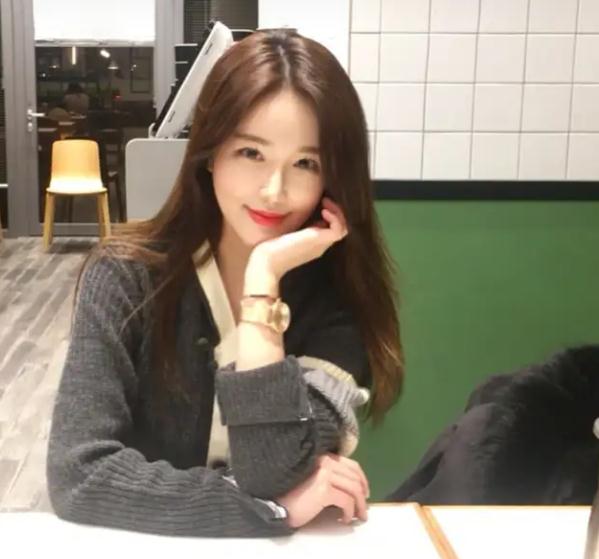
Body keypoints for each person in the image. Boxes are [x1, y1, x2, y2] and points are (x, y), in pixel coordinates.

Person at [46, 28, 404, 537]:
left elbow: (271, 470)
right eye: (251, 153)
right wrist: (266, 511)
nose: (274, 191)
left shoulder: (337, 300)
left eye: (306, 163)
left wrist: (263, 283)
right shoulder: (124, 276)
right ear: (211, 152)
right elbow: (79, 475)